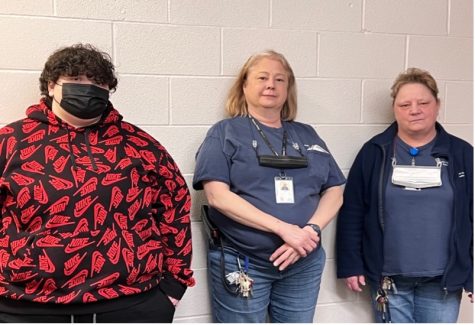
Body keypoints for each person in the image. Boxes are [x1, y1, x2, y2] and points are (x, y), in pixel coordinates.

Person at [0, 43, 195, 322]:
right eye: (77, 80)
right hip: (25, 306)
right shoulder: (11, 142)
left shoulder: (141, 146)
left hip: (130, 303)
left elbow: (174, 210)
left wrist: (173, 288)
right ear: (51, 86)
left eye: (98, 82)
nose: (88, 88)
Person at [193, 50, 345, 322]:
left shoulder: (307, 134)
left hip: (303, 262)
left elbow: (334, 190)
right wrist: (284, 229)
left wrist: (309, 231)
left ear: (288, 88)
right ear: (245, 85)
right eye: (262, 77)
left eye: (280, 79)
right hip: (244, 261)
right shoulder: (225, 132)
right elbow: (217, 196)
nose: (271, 85)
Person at [336, 67, 473, 323]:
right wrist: (350, 264)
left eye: (423, 102)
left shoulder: (462, 154)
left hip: (442, 283)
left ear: (437, 105)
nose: (414, 110)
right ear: (395, 109)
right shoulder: (375, 152)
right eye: (405, 104)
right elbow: (353, 211)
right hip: (389, 281)